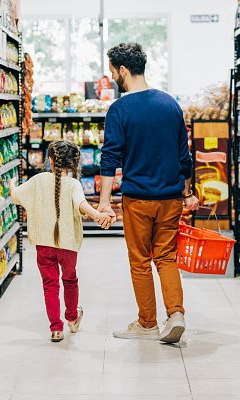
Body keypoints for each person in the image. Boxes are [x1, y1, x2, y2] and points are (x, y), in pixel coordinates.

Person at [97, 42, 199, 344]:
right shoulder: (170, 104)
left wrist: (104, 204)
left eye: (113, 70)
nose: (112, 75)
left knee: (140, 260)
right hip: (170, 199)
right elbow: (185, 156)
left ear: (123, 70)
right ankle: (176, 314)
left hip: (138, 200)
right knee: (166, 257)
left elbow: (110, 158)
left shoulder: (119, 110)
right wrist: (188, 190)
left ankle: (147, 323)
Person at [11, 140, 113, 342]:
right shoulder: (74, 184)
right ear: (75, 163)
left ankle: (56, 329)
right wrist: (97, 216)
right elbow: (81, 204)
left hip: (43, 244)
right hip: (67, 245)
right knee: (70, 280)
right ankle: (72, 319)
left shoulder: (38, 180)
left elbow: (16, 196)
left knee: (50, 285)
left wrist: (12, 185)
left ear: (50, 160)